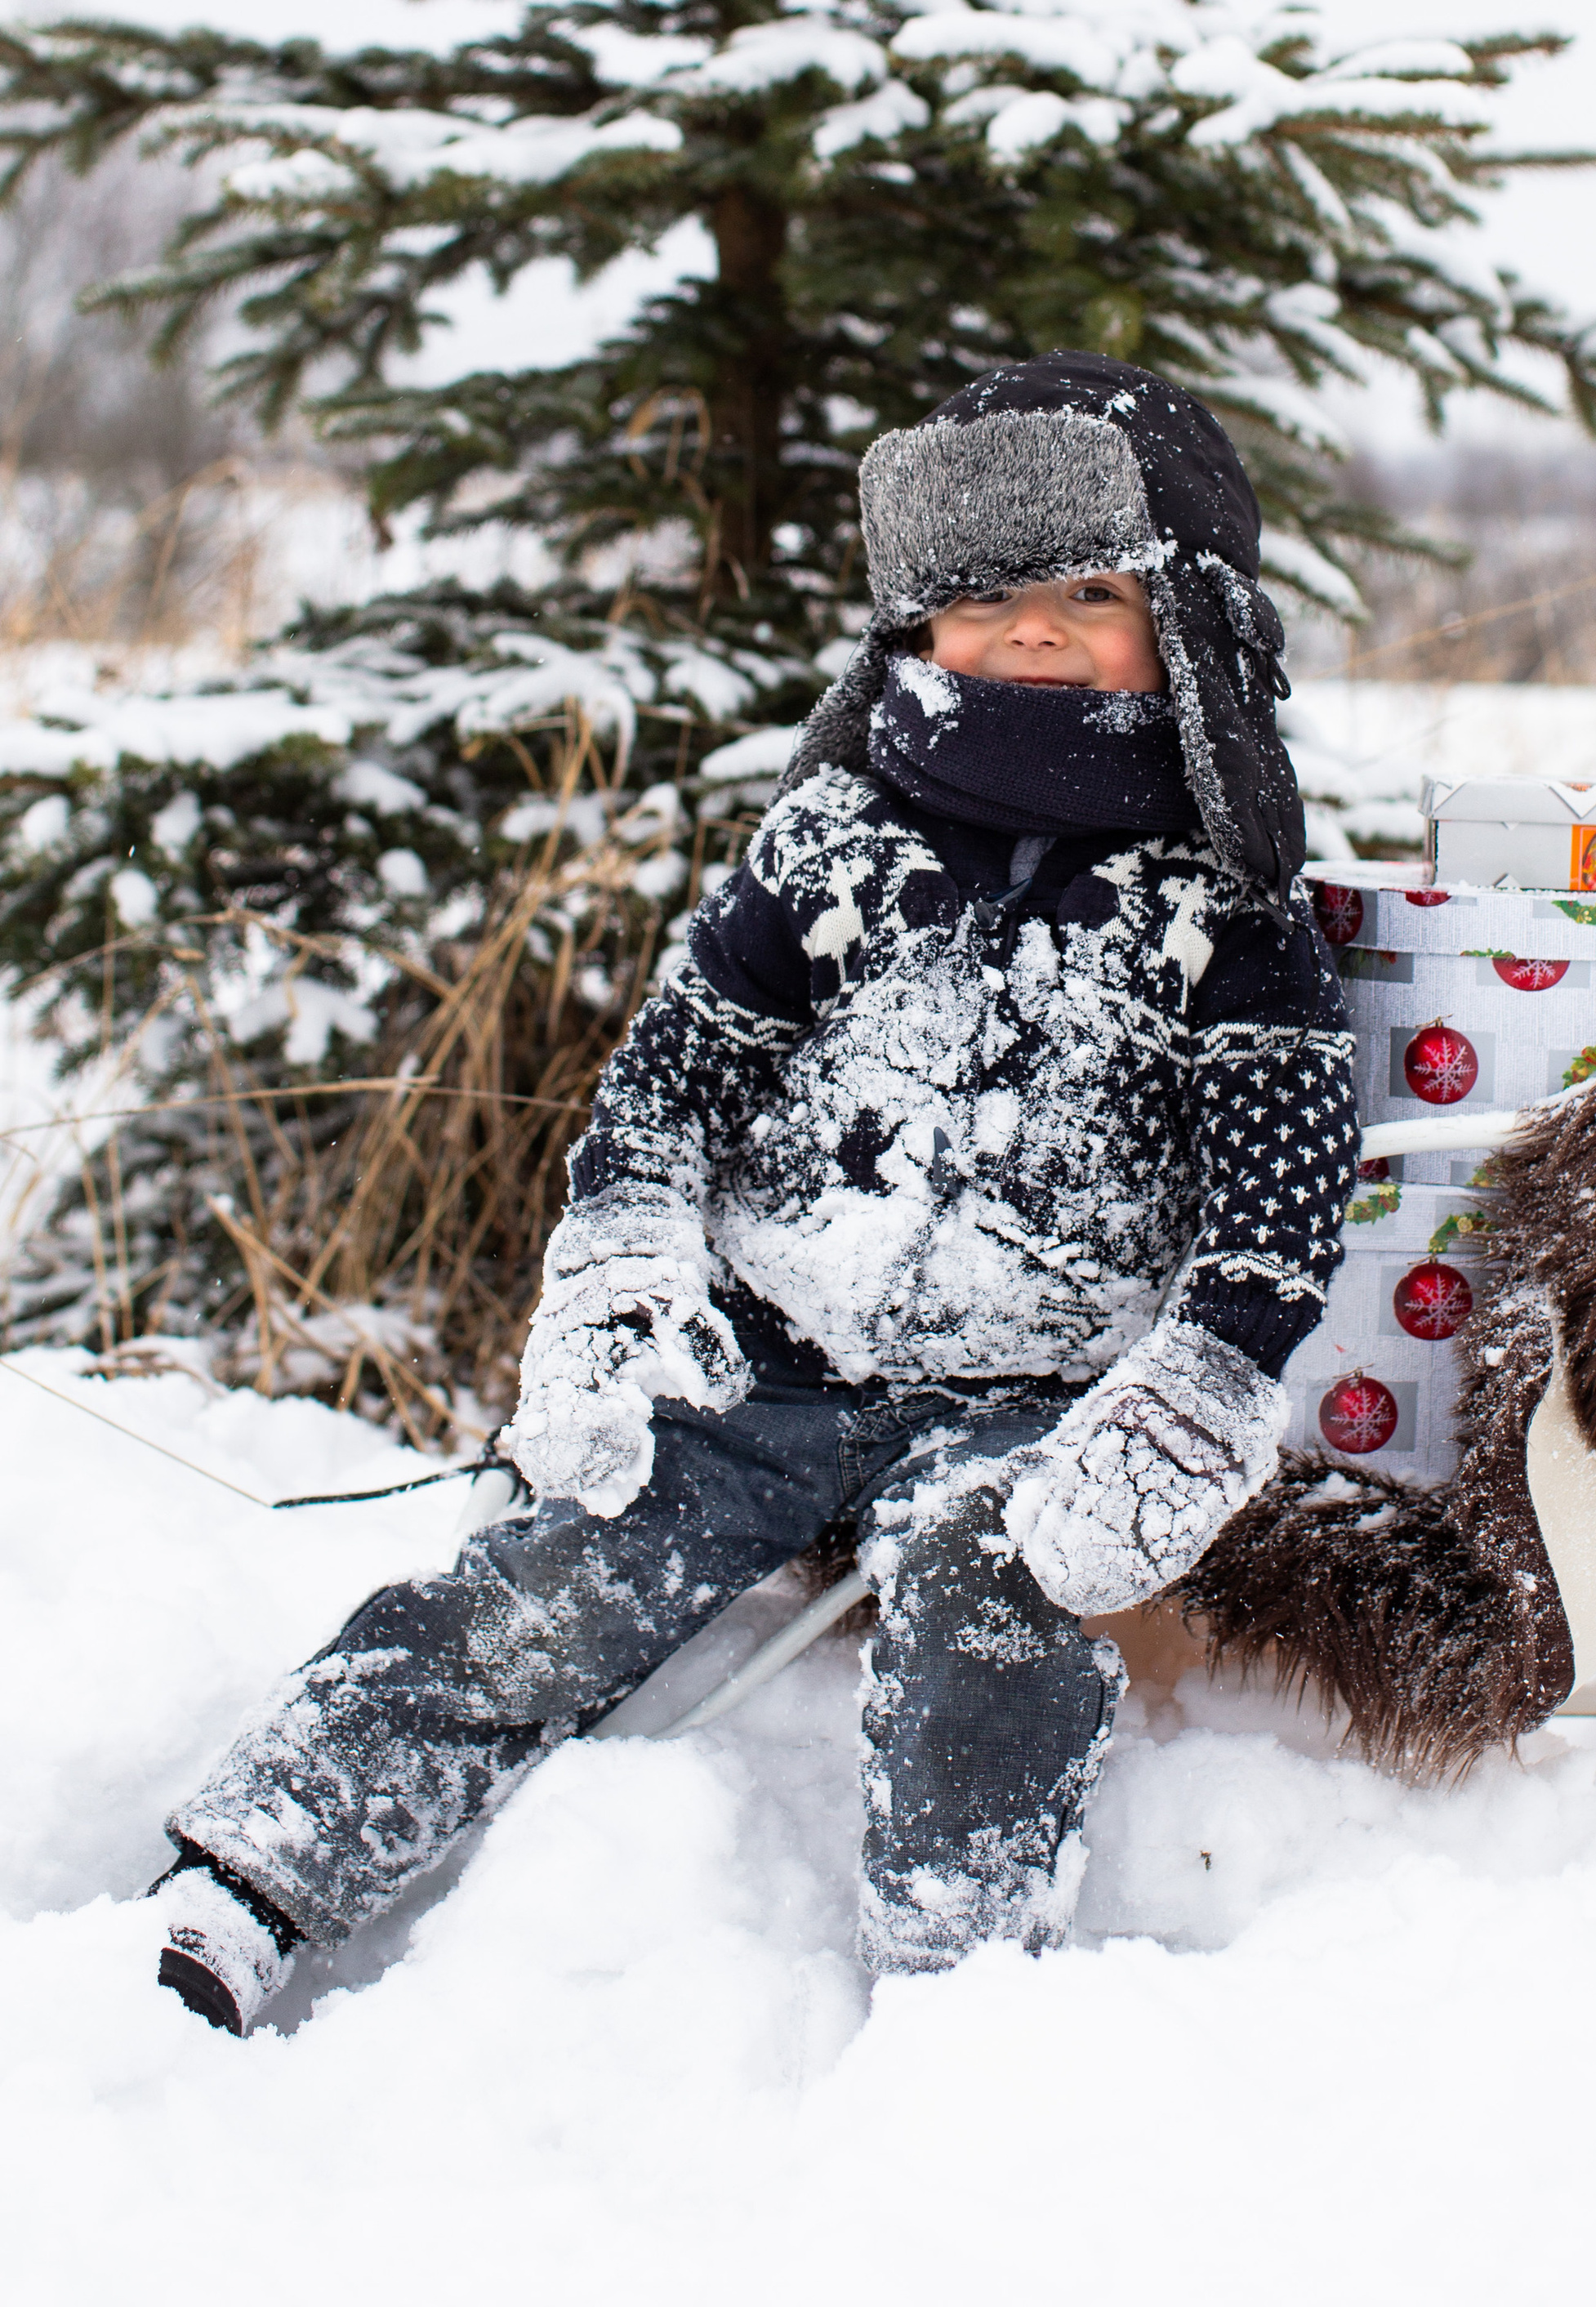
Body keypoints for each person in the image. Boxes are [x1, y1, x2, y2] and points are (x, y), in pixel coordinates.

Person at [151, 351, 1358, 2033]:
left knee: (993, 1616)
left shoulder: (1224, 910)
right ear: (913, 621)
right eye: (983, 591)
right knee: (549, 1574)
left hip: (1023, 1399)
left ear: (1192, 622)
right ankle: (258, 1868)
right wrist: (619, 1268)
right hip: (759, 1365)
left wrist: (1203, 1381)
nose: (1027, 627)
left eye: (1086, 590)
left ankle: (959, 1989)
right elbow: (676, 1070)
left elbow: (1278, 1184)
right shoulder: (833, 843)